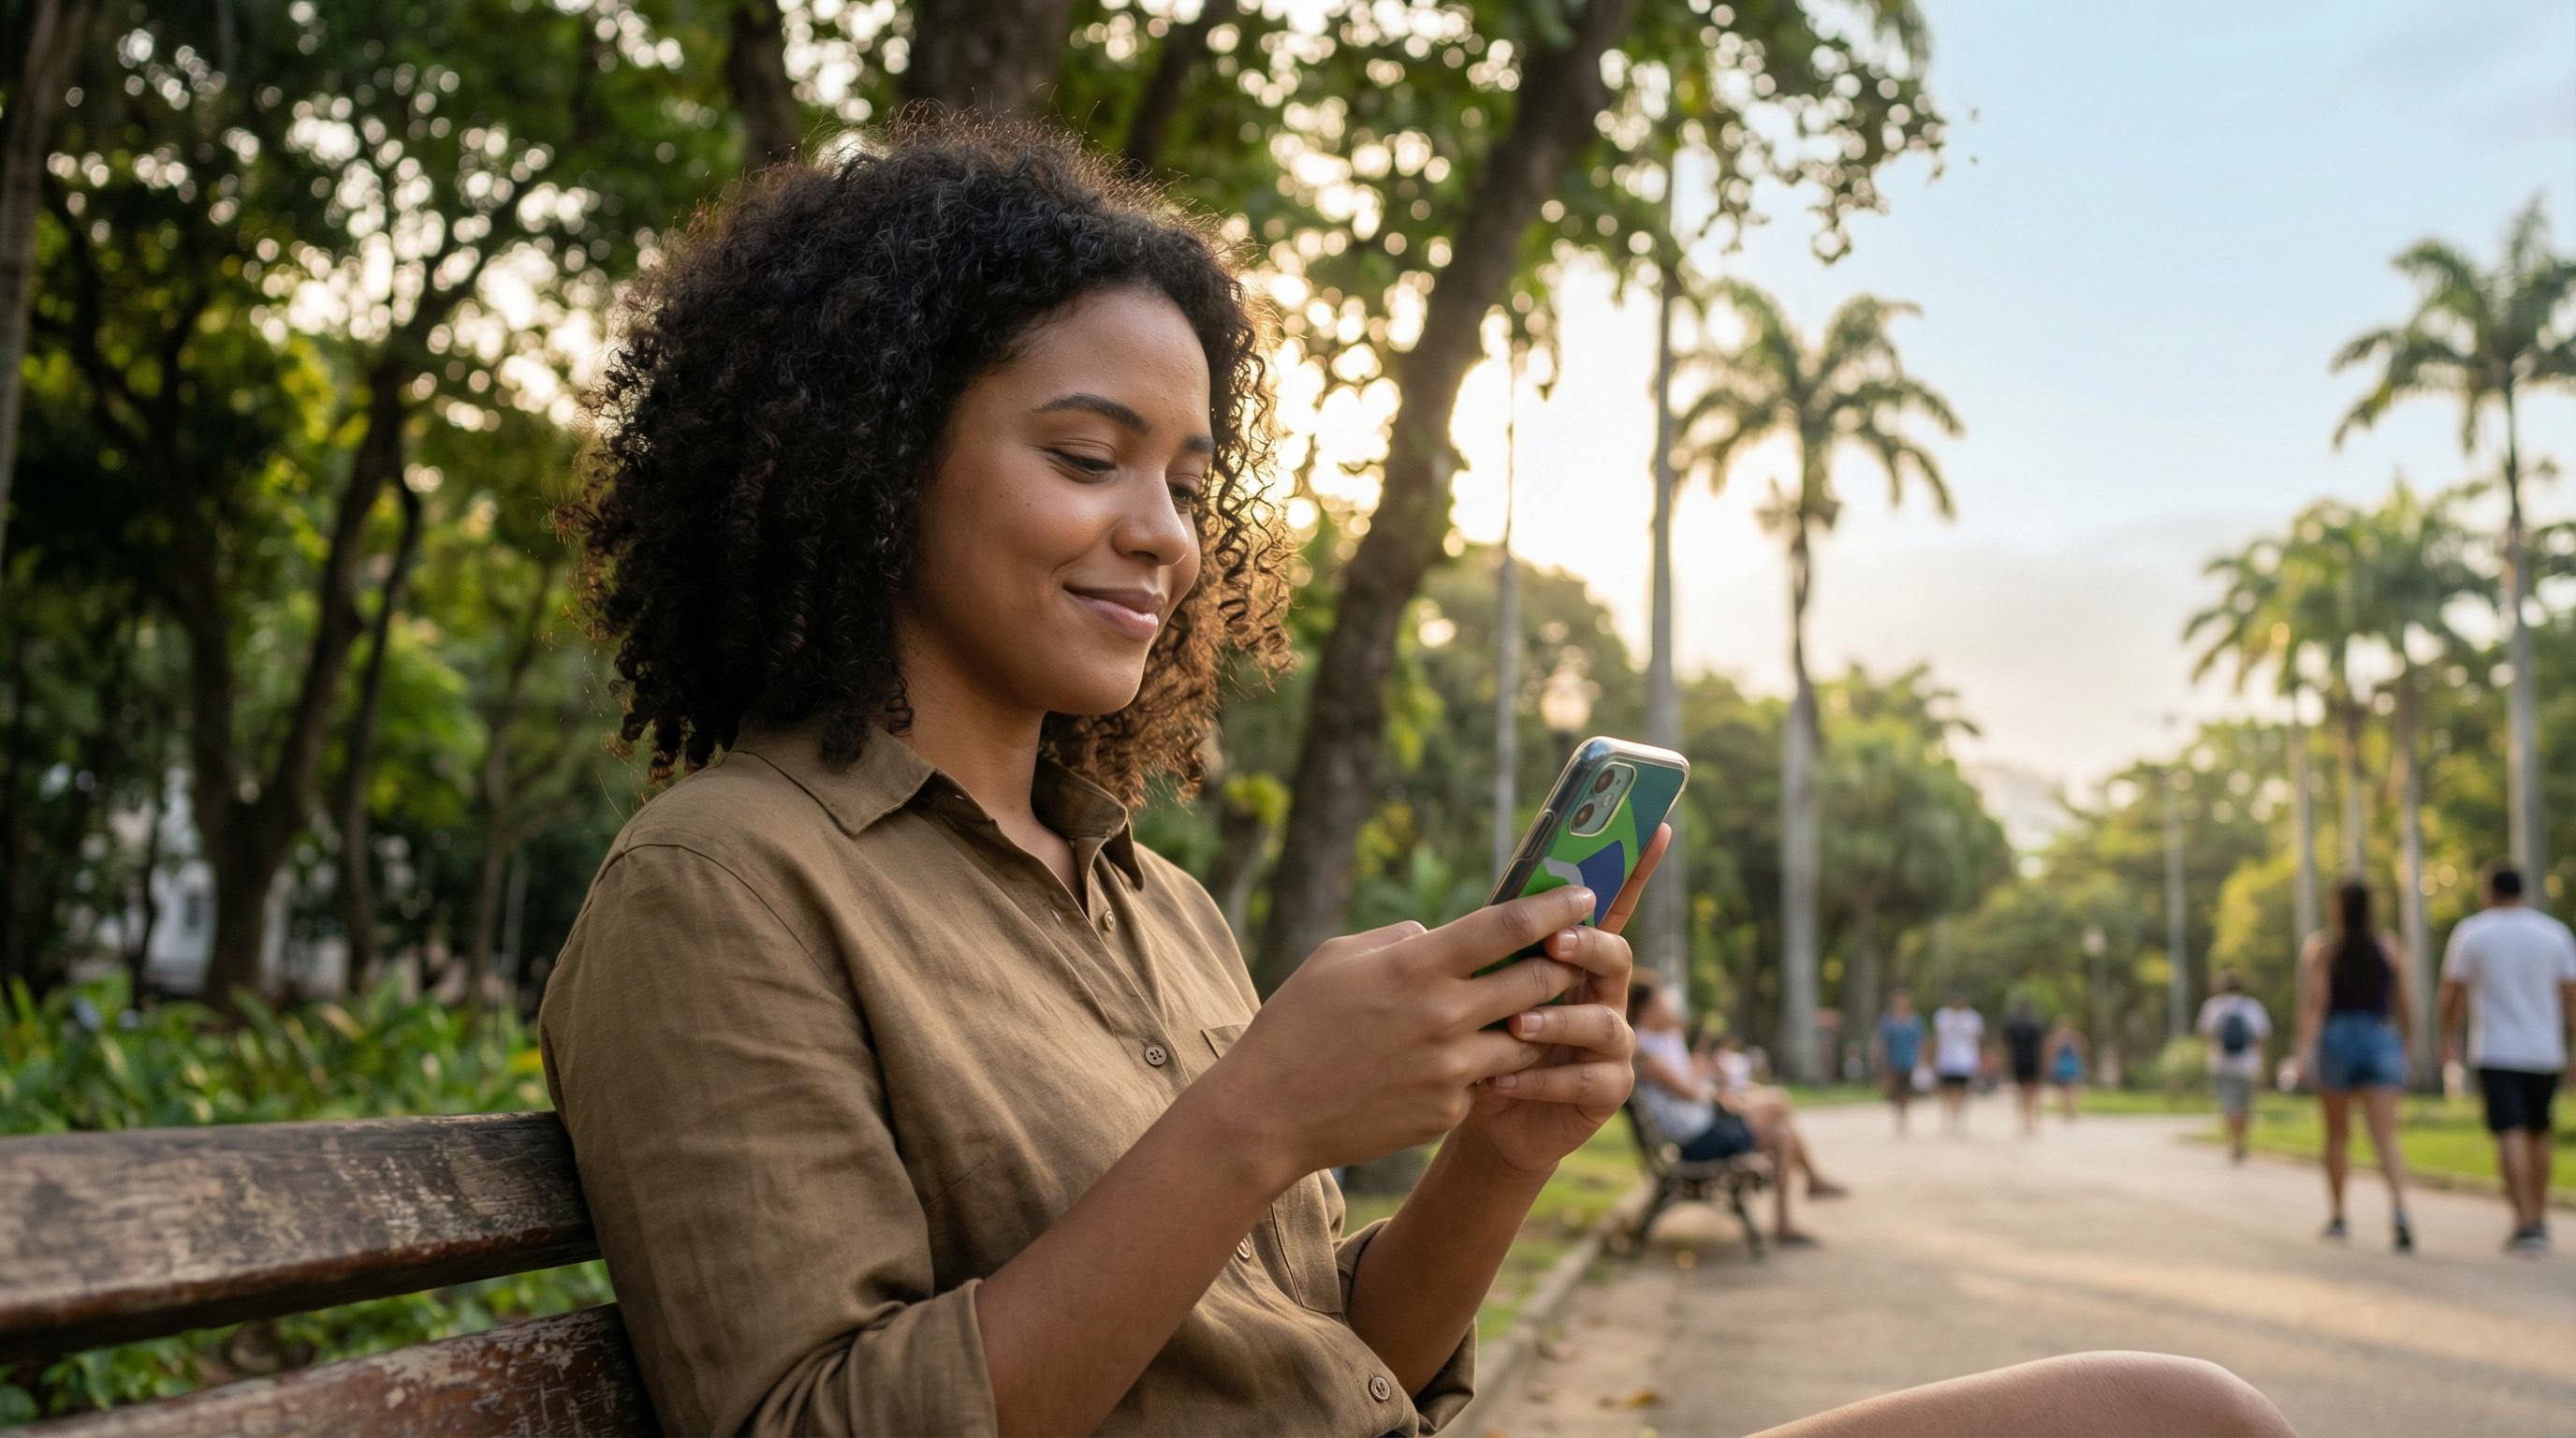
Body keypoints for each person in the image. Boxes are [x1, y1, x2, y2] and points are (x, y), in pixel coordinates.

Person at [540, 121, 2292, 1438]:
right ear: (872, 460)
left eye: (1188, 479)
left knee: (2172, 1415)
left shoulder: (1149, 900)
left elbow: (1336, 1360)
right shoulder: (723, 884)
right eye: (1089, 456)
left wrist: (1504, 1152)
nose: (1159, 534)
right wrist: (1253, 1119)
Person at [2437, 863, 2576, 1253]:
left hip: (2496, 1049)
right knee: (2539, 1131)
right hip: (2546, 1051)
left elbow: (2451, 992)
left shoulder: (2473, 932)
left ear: (2488, 892)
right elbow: (2572, 997)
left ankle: (2524, 1221)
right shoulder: (2555, 934)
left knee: (2510, 1132)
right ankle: (2541, 1217)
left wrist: (2447, 1037)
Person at [1630, 979, 1835, 1243]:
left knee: (1782, 1125)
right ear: (1648, 1009)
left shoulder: (1658, 1041)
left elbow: (1689, 1090)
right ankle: (1799, 1203)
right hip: (1698, 1140)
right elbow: (1688, 1092)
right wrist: (1701, 1065)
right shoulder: (1645, 1051)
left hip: (1704, 1126)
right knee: (1780, 1116)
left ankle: (1800, 1202)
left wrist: (1706, 1075)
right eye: (1664, 1002)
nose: (1673, 1009)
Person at [2291, 879, 2414, 1252]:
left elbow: (2317, 1004)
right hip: (2381, 1038)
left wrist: (2301, 1052)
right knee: (2385, 1136)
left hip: (2338, 1039)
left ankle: (2339, 1217)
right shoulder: (2389, 947)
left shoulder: (2322, 948)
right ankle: (2399, 1211)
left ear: (2335, 907)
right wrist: (2405, 1046)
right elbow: (2404, 1003)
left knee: (2337, 1134)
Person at [2197, 972, 2272, 1164]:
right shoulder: (2252, 1007)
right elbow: (2262, 1035)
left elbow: (2206, 1034)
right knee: (2245, 1106)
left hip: (2221, 1064)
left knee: (2229, 1105)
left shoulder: (2213, 1006)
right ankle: (2241, 1141)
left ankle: (2233, 1142)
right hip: (2248, 1065)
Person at [1931, 993, 1984, 1137]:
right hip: (1946, 1060)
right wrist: (1934, 1059)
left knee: (1963, 1091)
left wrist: (1977, 1060)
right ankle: (1948, 1118)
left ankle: (1961, 1119)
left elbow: (1976, 1041)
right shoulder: (1942, 1017)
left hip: (1965, 1061)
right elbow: (1937, 1039)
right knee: (1947, 1091)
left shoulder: (1973, 1018)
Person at [1875, 990, 1926, 1137]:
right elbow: (1883, 1043)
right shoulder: (1888, 1021)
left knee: (1906, 1091)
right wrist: (1881, 1060)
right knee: (1894, 1090)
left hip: (1909, 1061)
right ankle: (1898, 1115)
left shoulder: (1915, 1021)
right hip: (1892, 1061)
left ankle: (1904, 1114)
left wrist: (1923, 1059)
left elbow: (1920, 1042)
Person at [2003, 998, 2046, 1137]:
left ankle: (2022, 1119)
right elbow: (2041, 1045)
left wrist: (2007, 1062)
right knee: (2032, 1090)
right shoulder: (2035, 1024)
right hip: (2032, 1058)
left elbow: (2007, 1045)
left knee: (2021, 1089)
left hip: (2018, 1059)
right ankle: (2030, 1120)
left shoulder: (2012, 1024)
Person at [2046, 1017, 2088, 1122]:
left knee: (2067, 1089)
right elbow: (2085, 1047)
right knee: (2070, 1089)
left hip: (2066, 1065)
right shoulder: (2074, 1038)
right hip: (2068, 1065)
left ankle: (2068, 1111)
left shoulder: (2061, 1039)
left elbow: (2051, 1051)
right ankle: (2070, 1110)